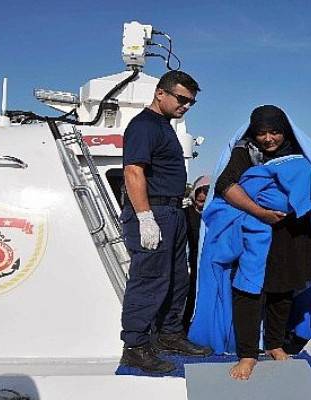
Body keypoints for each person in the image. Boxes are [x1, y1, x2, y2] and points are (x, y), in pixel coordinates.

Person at [213, 105, 311, 380]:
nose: (268, 139)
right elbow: (225, 185)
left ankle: (274, 344)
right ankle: (247, 354)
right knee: (249, 291)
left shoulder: (300, 152)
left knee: (282, 290)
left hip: (291, 232)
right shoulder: (245, 151)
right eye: (261, 133)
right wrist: (260, 212)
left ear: (285, 131)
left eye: (275, 132)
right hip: (256, 230)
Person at [119, 70, 211, 374]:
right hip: (153, 212)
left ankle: (168, 335)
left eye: (191, 102)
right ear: (161, 93)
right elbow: (134, 171)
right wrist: (145, 217)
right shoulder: (144, 126)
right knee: (149, 281)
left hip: (172, 212)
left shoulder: (165, 126)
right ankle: (135, 346)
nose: (186, 105)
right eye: (182, 99)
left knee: (176, 278)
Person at [182, 175, 210, 331]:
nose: (201, 196)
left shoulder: (214, 214)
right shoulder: (184, 213)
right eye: (199, 191)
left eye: (206, 192)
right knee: (190, 296)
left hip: (209, 263)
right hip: (191, 264)